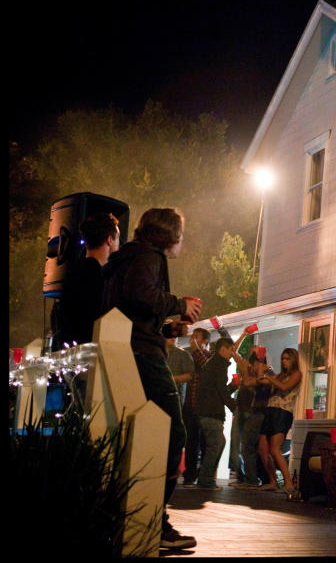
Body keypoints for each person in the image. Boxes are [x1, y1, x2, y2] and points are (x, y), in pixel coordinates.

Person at [101, 207, 202, 550]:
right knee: (174, 432)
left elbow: (132, 308)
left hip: (131, 348)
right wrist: (178, 304)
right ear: (168, 235)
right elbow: (141, 295)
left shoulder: (126, 257)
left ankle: (137, 513)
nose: (181, 242)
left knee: (143, 434)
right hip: (143, 355)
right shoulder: (150, 257)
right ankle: (154, 520)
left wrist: (165, 328)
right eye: (180, 235)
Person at [56, 212, 121, 345]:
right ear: (109, 240)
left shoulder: (75, 270)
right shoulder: (98, 275)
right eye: (118, 238)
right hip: (88, 351)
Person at [194, 338, 239, 489]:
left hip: (207, 410)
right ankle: (205, 480)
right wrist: (234, 407)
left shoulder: (214, 364)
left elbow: (218, 389)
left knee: (218, 443)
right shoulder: (218, 365)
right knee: (216, 444)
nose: (233, 353)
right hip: (211, 412)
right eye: (231, 350)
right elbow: (220, 392)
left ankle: (206, 478)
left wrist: (232, 387)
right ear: (223, 349)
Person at [257, 347, 302, 493]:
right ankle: (273, 481)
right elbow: (260, 379)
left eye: (287, 359)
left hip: (283, 412)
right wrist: (260, 361)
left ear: (293, 360)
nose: (284, 361)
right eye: (283, 358)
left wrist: (270, 377)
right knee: (262, 449)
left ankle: (289, 483)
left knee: (275, 449)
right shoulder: (280, 375)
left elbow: (284, 387)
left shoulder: (296, 374)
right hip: (270, 410)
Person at [233, 350, 272, 489]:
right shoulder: (260, 373)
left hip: (258, 413)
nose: (253, 366)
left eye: (255, 363)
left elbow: (249, 383)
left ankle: (252, 480)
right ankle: (255, 479)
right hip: (255, 412)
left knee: (248, 446)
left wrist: (261, 371)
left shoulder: (269, 373)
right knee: (251, 447)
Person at [180, 328, 211, 487]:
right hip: (190, 404)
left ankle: (204, 476)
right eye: (192, 336)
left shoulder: (209, 356)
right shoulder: (190, 356)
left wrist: (196, 348)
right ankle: (189, 475)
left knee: (205, 442)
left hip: (204, 406)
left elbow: (205, 366)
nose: (192, 339)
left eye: (196, 337)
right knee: (191, 442)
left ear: (205, 341)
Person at [165, 333, 195, 407]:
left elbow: (190, 375)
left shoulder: (183, 354)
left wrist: (171, 379)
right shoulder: (157, 353)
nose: (173, 336)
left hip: (175, 396)